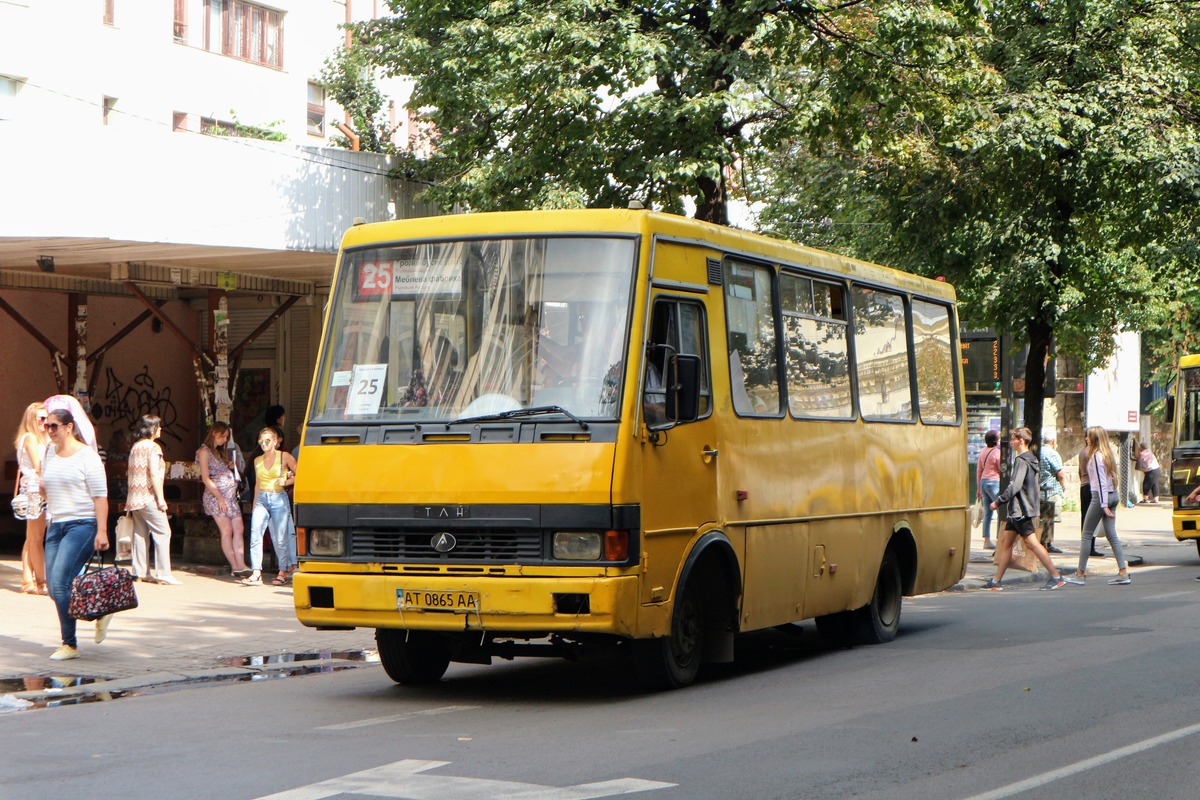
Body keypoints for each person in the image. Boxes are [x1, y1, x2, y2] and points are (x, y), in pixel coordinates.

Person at [39, 407, 110, 660]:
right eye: (46, 426)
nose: (49, 431)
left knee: (60, 583)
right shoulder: (49, 452)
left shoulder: (87, 457)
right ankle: (98, 611)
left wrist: (102, 531)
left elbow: (100, 497)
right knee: (53, 586)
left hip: (82, 525)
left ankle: (69, 644)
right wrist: (41, 490)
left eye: (54, 426)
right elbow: (48, 489)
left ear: (69, 427)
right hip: (56, 524)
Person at [982, 427, 1067, 590]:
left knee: (1033, 544)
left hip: (1020, 511)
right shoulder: (1032, 459)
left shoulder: (1021, 461)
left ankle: (1056, 576)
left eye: (1013, 439)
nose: (1011, 442)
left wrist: (998, 502)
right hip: (1019, 510)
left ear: (1021, 440)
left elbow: (1014, 486)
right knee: (1006, 543)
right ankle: (996, 581)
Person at [1066, 426, 1132, 586]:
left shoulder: (1096, 456)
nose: (1086, 439)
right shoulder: (1107, 454)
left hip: (1100, 497)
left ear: (1094, 439)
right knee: (1112, 535)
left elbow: (1101, 482)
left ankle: (1080, 573)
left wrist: (1103, 505)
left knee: (1087, 534)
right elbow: (1110, 479)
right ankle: (1123, 572)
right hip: (1113, 495)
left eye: (1088, 437)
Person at [125, 415, 179, 585]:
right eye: (158, 426)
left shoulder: (136, 446)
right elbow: (154, 474)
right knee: (163, 532)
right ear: (152, 429)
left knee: (140, 533)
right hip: (148, 496)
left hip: (134, 496)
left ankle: (140, 571)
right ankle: (163, 573)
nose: (161, 429)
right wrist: (161, 498)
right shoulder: (154, 448)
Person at [245, 427, 298, 587]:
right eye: (261, 441)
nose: (263, 444)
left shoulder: (285, 456)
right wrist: (254, 505)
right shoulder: (257, 460)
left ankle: (283, 571)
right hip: (262, 497)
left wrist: (287, 482)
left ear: (275, 441)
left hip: (278, 497)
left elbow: (300, 473)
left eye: (267, 441)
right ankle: (256, 571)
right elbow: (257, 484)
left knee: (281, 536)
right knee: (255, 533)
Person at [197, 422, 249, 578]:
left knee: (238, 528)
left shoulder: (221, 452)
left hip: (230, 497)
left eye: (227, 437)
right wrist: (219, 497)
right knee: (227, 530)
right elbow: (206, 478)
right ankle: (235, 565)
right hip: (216, 497)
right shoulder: (204, 451)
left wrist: (230, 467)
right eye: (223, 436)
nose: (225, 439)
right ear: (214, 433)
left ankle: (241, 563)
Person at [13, 403, 50, 594]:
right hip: (36, 491)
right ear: (32, 420)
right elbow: (38, 466)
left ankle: (27, 580)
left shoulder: (38, 438)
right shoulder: (31, 438)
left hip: (33, 489)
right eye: (41, 418)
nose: (46, 422)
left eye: (47, 418)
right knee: (36, 538)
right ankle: (41, 581)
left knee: (31, 538)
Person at [1038, 431, 1066, 553]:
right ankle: (1047, 543)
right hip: (1051, 489)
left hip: (1039, 489)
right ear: (1053, 441)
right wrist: (1064, 485)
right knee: (1049, 518)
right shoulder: (1052, 453)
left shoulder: (1037, 451)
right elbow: (1060, 473)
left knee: (1041, 518)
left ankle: (1041, 541)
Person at [1077, 439, 1104, 558]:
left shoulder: (1082, 451)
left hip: (1083, 485)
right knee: (1092, 518)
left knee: (1085, 517)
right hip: (1092, 486)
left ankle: (1086, 546)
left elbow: (1079, 471)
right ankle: (1090, 547)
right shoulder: (1093, 453)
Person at [976, 430, 1002, 550]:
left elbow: (979, 471)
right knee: (1001, 510)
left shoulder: (983, 451)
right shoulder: (997, 452)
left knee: (988, 512)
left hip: (983, 482)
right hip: (994, 482)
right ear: (996, 441)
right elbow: (1001, 468)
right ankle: (1002, 539)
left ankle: (986, 540)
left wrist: (978, 488)